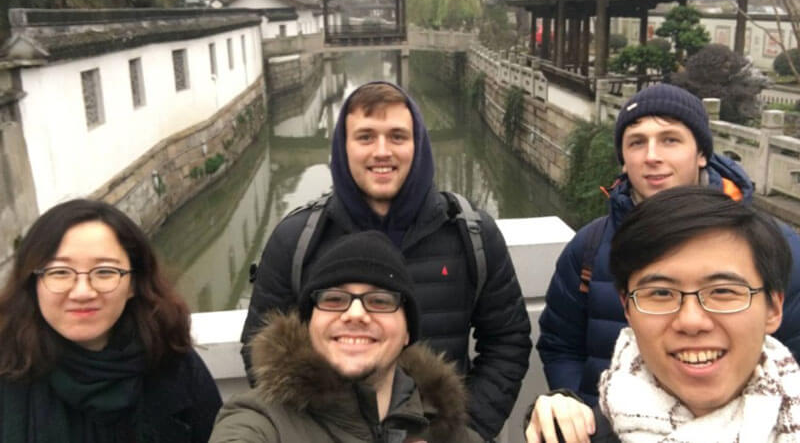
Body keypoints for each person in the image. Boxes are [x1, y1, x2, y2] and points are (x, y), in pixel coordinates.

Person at [241, 81, 531, 439]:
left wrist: (459, 431)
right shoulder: (297, 239)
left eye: (397, 136)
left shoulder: (471, 235)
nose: (382, 151)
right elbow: (260, 343)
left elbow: (508, 341)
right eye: (365, 137)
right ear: (343, 148)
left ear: (418, 145)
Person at [537, 83, 800, 405]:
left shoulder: (776, 246)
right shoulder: (589, 246)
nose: (652, 157)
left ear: (702, 153)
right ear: (623, 160)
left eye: (670, 140)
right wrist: (584, 406)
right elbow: (560, 344)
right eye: (636, 143)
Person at [526, 186, 800, 442]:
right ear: (628, 310)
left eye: (722, 292)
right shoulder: (590, 433)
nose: (691, 321)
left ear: (773, 309)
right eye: (660, 293)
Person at [211, 231, 484, 442]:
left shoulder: (443, 424)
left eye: (379, 300)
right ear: (309, 325)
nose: (355, 313)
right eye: (334, 299)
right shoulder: (260, 419)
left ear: (407, 333)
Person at [0, 199, 221, 442]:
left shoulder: (173, 364)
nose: (82, 292)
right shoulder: (9, 369)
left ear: (134, 284)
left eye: (105, 272)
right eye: (60, 272)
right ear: (33, 284)